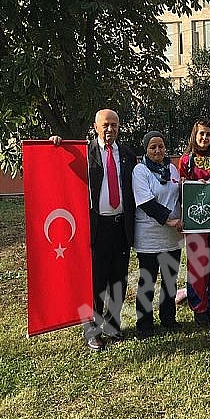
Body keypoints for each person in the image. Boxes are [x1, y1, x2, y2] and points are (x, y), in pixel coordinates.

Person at [51, 109, 137, 351]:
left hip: (121, 226)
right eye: (105, 125)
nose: (110, 129)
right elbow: (63, 167)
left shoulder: (128, 155)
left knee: (118, 280)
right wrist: (56, 146)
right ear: (95, 126)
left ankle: (112, 325)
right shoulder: (84, 153)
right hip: (96, 227)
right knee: (95, 282)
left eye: (114, 125)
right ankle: (92, 330)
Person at [132, 131, 183, 338]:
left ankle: (168, 318)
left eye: (161, 146)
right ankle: (144, 324)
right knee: (147, 281)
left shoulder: (172, 168)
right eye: (153, 147)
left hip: (172, 236)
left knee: (170, 280)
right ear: (146, 149)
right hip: (149, 236)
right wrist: (168, 220)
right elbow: (146, 202)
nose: (157, 150)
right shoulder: (140, 171)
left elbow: (179, 195)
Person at [178, 120, 210, 326]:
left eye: (208, 134)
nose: (205, 138)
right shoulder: (186, 160)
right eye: (201, 134)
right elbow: (180, 187)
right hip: (195, 219)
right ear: (194, 136)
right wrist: (192, 184)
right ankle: (199, 307)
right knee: (198, 264)